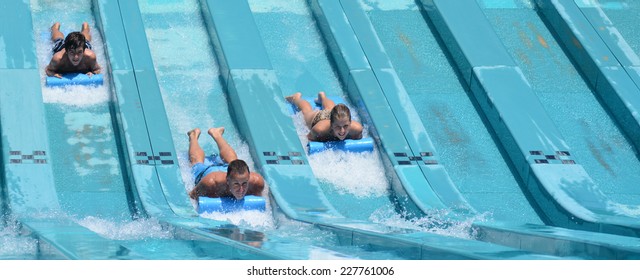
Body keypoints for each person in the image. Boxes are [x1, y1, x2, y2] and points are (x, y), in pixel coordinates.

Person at [188, 127, 265, 200]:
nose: (241, 190)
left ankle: (216, 134)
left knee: (234, 162)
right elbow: (192, 196)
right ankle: (193, 135)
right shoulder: (210, 183)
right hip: (207, 173)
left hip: (228, 170)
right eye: (236, 184)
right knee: (197, 162)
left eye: (244, 183)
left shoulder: (257, 182)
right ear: (227, 180)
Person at [286, 91, 363, 142]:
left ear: (350, 123)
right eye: (337, 127)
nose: (342, 130)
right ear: (331, 125)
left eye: (346, 126)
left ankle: (322, 97)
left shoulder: (357, 129)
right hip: (319, 119)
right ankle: (296, 98)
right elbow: (307, 139)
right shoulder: (319, 130)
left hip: (335, 117)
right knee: (306, 111)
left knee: (330, 108)